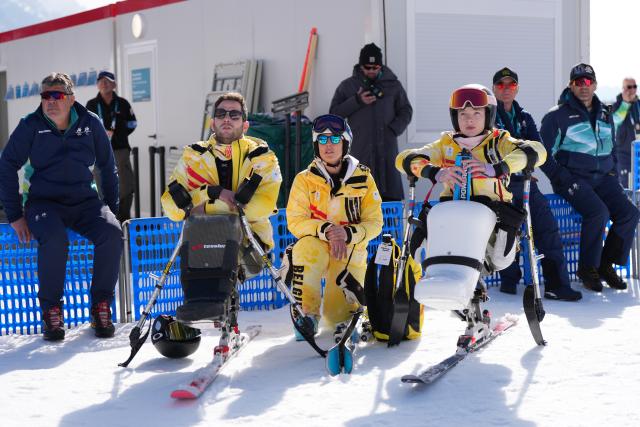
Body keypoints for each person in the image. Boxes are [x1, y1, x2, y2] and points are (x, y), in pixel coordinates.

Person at [0, 72, 122, 341]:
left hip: (84, 201)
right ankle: (52, 310)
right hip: (44, 202)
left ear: (71, 99)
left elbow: (107, 167)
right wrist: (15, 215)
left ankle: (101, 305)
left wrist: (112, 208)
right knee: (55, 240)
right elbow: (6, 165)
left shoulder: (91, 123)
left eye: (57, 95)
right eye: (46, 96)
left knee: (113, 234)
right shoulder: (30, 125)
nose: (51, 101)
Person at [396, 84, 546, 274]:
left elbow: (538, 151)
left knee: (500, 256)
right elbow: (403, 159)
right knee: (418, 250)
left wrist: (496, 168)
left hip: (493, 213)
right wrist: (435, 172)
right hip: (453, 210)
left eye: (477, 114)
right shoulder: (446, 144)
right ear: (455, 117)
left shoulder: (499, 142)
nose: (469, 120)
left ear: (488, 116)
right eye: (463, 114)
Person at [160, 92, 281, 320]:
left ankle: (215, 306)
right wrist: (212, 192)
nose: (227, 118)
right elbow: (171, 206)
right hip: (202, 245)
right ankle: (202, 305)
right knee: (205, 230)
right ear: (212, 122)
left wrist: (202, 206)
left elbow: (262, 206)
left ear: (245, 124)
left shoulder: (262, 157)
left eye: (234, 114)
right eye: (221, 114)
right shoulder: (193, 156)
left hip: (251, 245)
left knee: (216, 223)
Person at [539, 63, 640, 292]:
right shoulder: (557, 116)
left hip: (603, 178)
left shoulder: (606, 113)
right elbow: (543, 153)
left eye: (588, 81)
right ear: (571, 86)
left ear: (594, 84)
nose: (583, 86)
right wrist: (561, 177)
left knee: (630, 213)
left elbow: (612, 147)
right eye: (578, 82)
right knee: (598, 212)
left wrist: (612, 172)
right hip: (572, 179)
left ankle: (605, 264)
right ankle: (587, 268)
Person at [285, 114, 383, 339]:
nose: (328, 146)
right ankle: (306, 315)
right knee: (304, 248)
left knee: (336, 316)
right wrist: (327, 230)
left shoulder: (363, 177)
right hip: (318, 246)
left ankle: (345, 314)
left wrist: (348, 233)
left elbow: (375, 222)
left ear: (345, 142)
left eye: (335, 140)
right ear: (316, 145)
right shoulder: (304, 179)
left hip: (349, 250)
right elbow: (295, 220)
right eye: (322, 140)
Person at [492, 67, 582, 301]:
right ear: (494, 89)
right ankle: (508, 285)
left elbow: (539, 150)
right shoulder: (487, 117)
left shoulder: (525, 117)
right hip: (501, 187)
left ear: (517, 88)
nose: (506, 89)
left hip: (526, 184)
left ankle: (556, 285)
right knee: (506, 235)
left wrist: (554, 175)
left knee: (548, 230)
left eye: (511, 85)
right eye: (501, 85)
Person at [330, 43, 413, 201]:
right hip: (361, 151)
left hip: (387, 152)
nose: (371, 71)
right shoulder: (348, 86)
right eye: (367, 67)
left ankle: (391, 226)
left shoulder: (393, 85)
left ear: (381, 66)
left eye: (375, 67)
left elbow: (406, 110)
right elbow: (334, 115)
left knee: (389, 202)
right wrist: (357, 101)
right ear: (361, 66)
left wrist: (393, 130)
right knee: (361, 199)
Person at [86, 71, 137, 222]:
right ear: (97, 85)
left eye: (107, 81)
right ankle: (104, 218)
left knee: (125, 184)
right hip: (99, 151)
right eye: (100, 81)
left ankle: (123, 219)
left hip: (120, 149)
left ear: (114, 84)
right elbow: (85, 127)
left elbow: (133, 123)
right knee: (101, 183)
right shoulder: (91, 105)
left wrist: (118, 133)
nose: (104, 83)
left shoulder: (122, 103)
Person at [611, 76, 640, 187]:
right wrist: (626, 103)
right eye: (628, 87)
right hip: (623, 152)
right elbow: (616, 120)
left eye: (634, 86)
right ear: (623, 89)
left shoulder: (638, 104)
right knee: (626, 182)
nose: (631, 90)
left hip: (638, 151)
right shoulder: (617, 105)